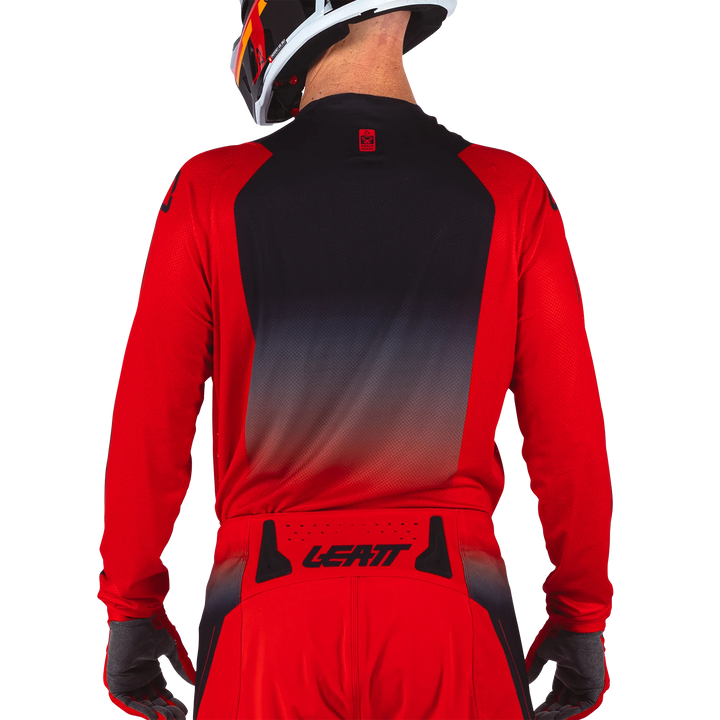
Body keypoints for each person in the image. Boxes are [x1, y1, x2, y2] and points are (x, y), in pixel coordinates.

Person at [96, 2, 616, 719]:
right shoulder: (510, 189)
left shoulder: (210, 189)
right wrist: (581, 615)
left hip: (266, 605)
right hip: (453, 602)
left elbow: (150, 422)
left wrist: (131, 607)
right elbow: (570, 433)